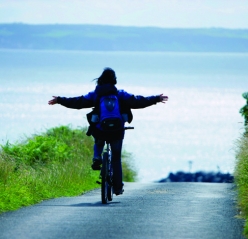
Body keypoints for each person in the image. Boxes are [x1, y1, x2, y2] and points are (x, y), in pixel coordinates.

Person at [48, 67, 168, 195]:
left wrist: (59, 100)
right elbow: (138, 101)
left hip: (101, 129)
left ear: (100, 80)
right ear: (114, 81)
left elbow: (78, 102)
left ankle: (97, 157)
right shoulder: (120, 94)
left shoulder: (95, 95)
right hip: (117, 130)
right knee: (116, 158)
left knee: (98, 137)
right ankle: (117, 187)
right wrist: (156, 99)